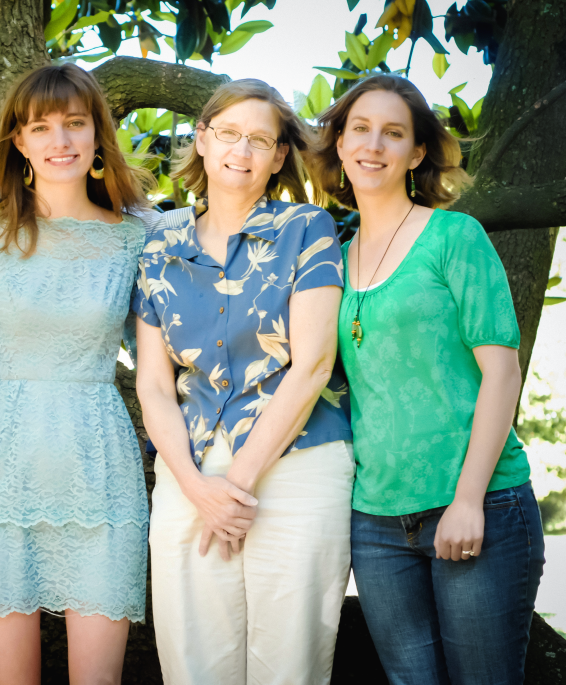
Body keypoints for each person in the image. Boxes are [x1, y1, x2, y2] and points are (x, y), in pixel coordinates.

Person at [315, 73, 544, 685]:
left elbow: (502, 372)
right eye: (359, 129)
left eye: (394, 133)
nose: (373, 145)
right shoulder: (330, 259)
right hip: (377, 522)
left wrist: (468, 499)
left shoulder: (455, 237)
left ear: (417, 153)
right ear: (338, 144)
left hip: (479, 504)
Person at [133, 79, 354, 685]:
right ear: (202, 140)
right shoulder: (159, 246)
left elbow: (311, 364)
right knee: (194, 663)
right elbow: (154, 383)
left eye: (261, 139)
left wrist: (239, 481)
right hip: (189, 471)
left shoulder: (306, 229)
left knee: (291, 664)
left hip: (297, 465)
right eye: (228, 133)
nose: (242, 149)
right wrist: (197, 487)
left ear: (280, 155)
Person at [0, 63, 152, 685]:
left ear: (99, 135)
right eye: (40, 127)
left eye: (75, 124)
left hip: (99, 469)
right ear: (18, 140)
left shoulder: (136, 238)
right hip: (2, 466)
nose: (60, 141)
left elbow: (167, 360)